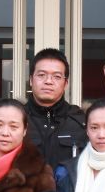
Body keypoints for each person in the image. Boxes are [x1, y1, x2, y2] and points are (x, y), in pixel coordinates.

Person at [23, 47, 87, 178]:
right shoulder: (16, 119)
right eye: (41, 75)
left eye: (57, 76)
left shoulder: (81, 121)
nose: (48, 81)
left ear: (66, 83)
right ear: (31, 80)